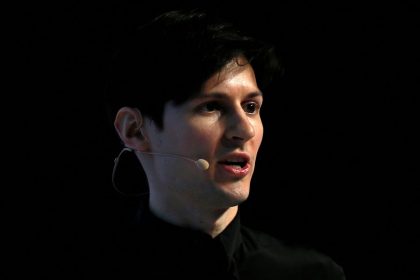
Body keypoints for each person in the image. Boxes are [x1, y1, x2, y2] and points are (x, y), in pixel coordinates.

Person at [93, 9, 346, 280]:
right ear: (135, 130)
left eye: (250, 107)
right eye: (212, 106)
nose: (246, 129)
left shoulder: (312, 274)